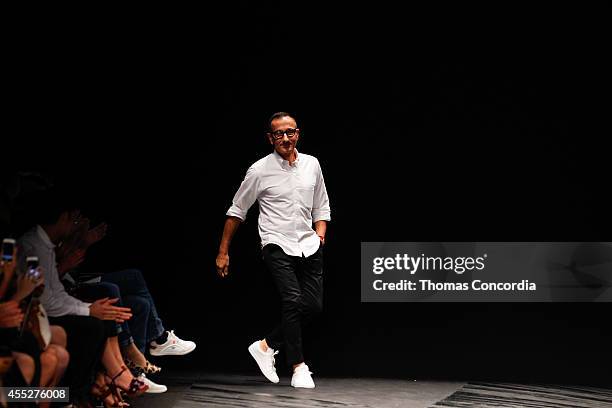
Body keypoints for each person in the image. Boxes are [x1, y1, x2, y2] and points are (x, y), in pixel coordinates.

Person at [215, 112, 331, 388]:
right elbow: (237, 211)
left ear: (297, 134)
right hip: (276, 242)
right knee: (292, 300)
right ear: (270, 138)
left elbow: (321, 205)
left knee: (312, 306)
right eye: (278, 134)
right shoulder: (259, 170)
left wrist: (320, 235)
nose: (285, 138)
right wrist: (223, 251)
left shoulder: (312, 165)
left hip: (309, 243)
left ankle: (265, 346)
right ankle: (299, 366)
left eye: (289, 132)